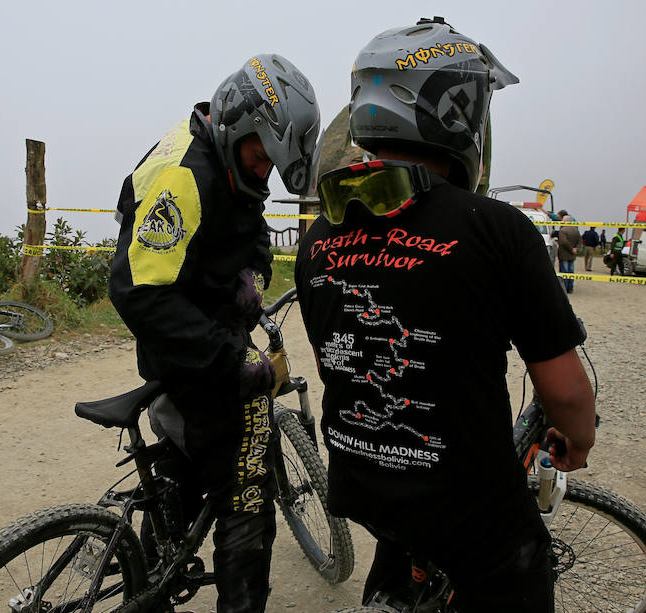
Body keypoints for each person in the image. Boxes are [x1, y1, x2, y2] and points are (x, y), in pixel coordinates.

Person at [295, 17, 595, 611]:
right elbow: (563, 394)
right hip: (469, 506)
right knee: (519, 572)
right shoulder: (498, 230)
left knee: (402, 544)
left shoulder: (319, 236)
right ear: (460, 113)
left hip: (359, 481)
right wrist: (578, 442)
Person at [108, 54, 319, 613]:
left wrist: (251, 272)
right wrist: (229, 359)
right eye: (260, 157)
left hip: (200, 332)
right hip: (186, 345)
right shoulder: (185, 175)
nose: (263, 171)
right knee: (247, 490)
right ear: (236, 123)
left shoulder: (227, 158)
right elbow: (140, 292)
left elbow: (242, 224)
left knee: (188, 456)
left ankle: (150, 577)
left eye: (272, 164)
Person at [557, 216, 582, 293]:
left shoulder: (562, 230)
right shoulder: (576, 231)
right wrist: (576, 249)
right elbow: (580, 242)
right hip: (572, 255)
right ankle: (570, 288)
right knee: (571, 271)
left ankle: (564, 287)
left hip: (564, 254)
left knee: (564, 271)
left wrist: (571, 249)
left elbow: (563, 242)